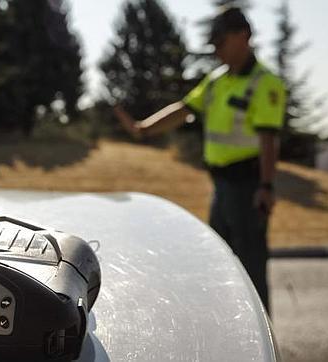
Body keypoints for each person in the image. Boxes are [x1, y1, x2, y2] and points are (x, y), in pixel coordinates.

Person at [113, 6, 286, 310]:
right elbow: (183, 109)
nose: (216, 50)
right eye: (214, 43)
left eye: (221, 42)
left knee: (251, 269)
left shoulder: (265, 83)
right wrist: (143, 129)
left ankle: (262, 346)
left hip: (248, 187)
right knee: (220, 265)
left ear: (243, 36)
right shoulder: (216, 81)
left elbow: (269, 139)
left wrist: (267, 186)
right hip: (221, 186)